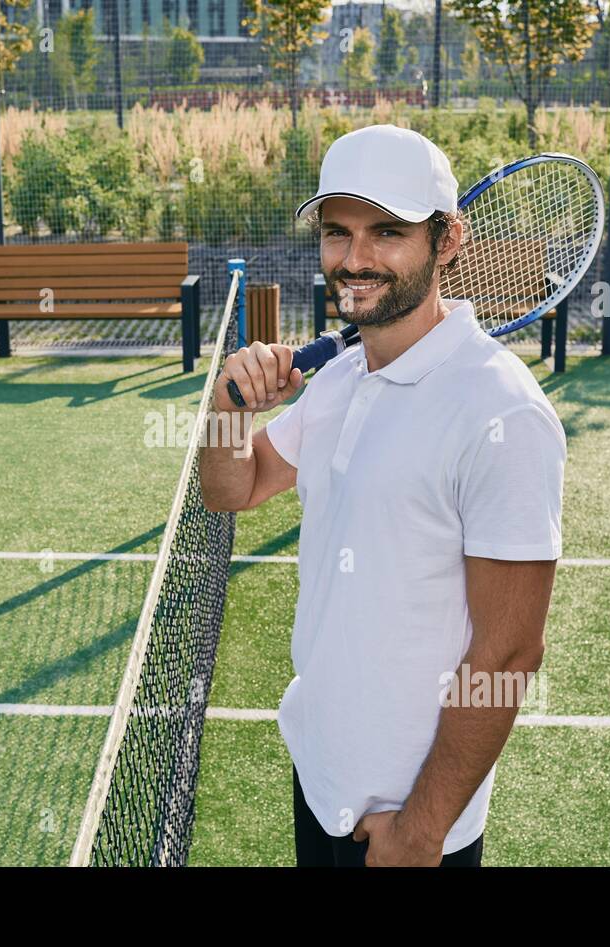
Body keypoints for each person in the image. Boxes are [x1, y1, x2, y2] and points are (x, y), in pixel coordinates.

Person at [199, 124, 566, 867]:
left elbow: (509, 652)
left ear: (449, 238)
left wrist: (422, 832)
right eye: (338, 233)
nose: (355, 259)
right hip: (320, 780)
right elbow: (234, 489)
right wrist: (226, 413)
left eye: (387, 232)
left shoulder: (503, 412)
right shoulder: (341, 376)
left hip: (410, 824)